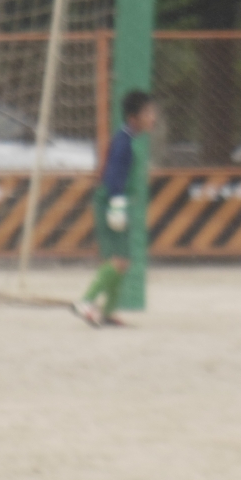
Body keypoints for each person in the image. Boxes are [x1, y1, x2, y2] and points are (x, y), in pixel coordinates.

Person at [73, 90, 156, 327]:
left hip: (117, 203)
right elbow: (113, 178)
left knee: (121, 261)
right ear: (133, 118)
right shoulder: (124, 143)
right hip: (112, 203)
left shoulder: (128, 139)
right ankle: (86, 302)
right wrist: (116, 206)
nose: (153, 118)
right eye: (147, 113)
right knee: (118, 260)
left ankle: (107, 312)